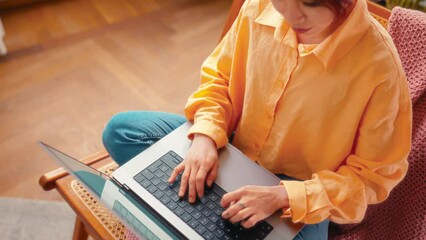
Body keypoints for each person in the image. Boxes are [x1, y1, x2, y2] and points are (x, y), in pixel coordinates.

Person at [102, 0, 412, 239]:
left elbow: (372, 177)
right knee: (122, 131)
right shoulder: (259, 6)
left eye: (310, 4)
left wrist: (282, 196)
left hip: (297, 191)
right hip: (230, 150)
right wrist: (205, 137)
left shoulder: (380, 69)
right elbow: (219, 78)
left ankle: (193, 215)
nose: (291, 15)